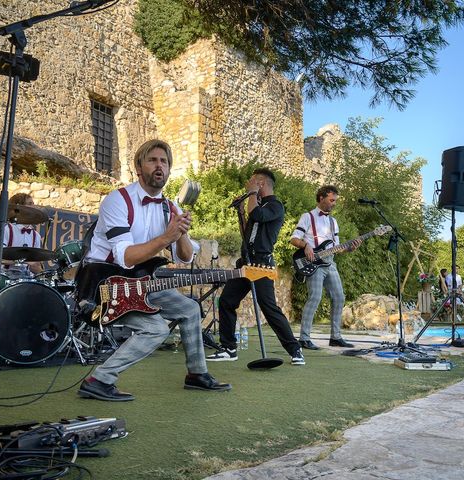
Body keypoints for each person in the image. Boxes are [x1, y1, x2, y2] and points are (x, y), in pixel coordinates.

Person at [78, 139, 231, 401]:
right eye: (153, 160)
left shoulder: (170, 208)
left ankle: (197, 374)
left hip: (139, 283)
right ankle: (98, 379)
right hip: (102, 287)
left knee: (190, 309)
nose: (159, 166)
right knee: (156, 329)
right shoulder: (118, 200)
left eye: (165, 161)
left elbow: (184, 258)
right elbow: (125, 257)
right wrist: (165, 238)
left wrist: (179, 232)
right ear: (139, 167)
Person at [206, 168, 305, 365]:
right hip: (246, 263)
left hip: (262, 265)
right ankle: (229, 348)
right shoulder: (257, 205)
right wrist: (241, 213)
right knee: (226, 301)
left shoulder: (275, 206)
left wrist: (251, 195)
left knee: (268, 308)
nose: (248, 185)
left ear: (261, 183)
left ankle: (295, 350)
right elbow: (247, 233)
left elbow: (258, 215)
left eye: (252, 182)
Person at [288, 185, 358, 350]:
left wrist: (350, 248)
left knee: (339, 297)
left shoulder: (333, 222)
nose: (334, 203)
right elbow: (294, 239)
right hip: (314, 264)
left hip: (330, 262)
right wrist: (306, 245)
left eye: (335, 201)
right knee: (315, 298)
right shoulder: (307, 217)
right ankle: (304, 339)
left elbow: (337, 247)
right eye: (331, 200)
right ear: (321, 198)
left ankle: (335, 337)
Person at [2, 192, 43, 275]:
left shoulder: (36, 236)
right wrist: (24, 262)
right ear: (19, 207)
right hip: (4, 278)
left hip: (26, 280)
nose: (34, 207)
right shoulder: (5, 230)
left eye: (33, 204)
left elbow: (36, 265)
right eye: (30, 204)